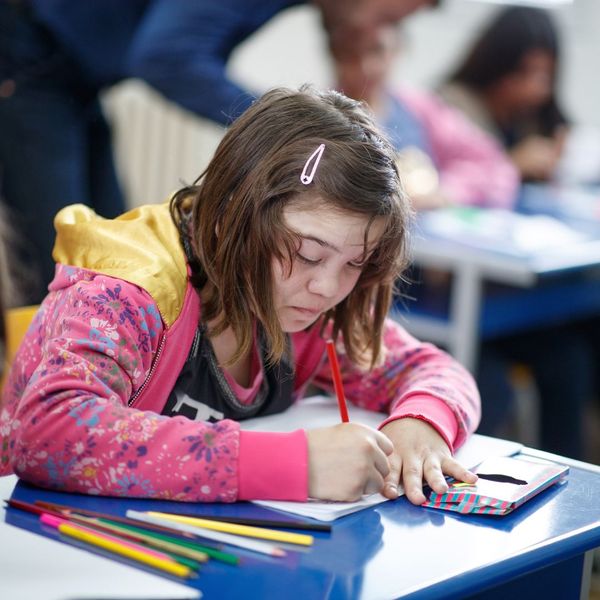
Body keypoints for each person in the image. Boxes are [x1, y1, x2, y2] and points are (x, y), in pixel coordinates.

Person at [0, 86, 480, 506]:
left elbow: (432, 369)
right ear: (234, 213)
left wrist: (422, 423)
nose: (328, 288)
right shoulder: (131, 288)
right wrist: (298, 464)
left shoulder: (306, 311)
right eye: (309, 253)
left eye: (356, 263)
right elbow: (49, 433)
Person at [0, 0, 436, 305]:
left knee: (108, 257)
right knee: (56, 262)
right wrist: (289, 126)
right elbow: (165, 58)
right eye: (389, 12)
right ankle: (39, 406)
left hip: (71, 74)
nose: (379, 27)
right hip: (28, 57)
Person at [332, 23, 519, 210]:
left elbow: (492, 163)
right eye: (350, 54)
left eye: (377, 50)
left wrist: (444, 192)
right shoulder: (325, 117)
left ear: (397, 49)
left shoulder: (417, 109)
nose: (366, 67)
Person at [440, 5, 568, 183]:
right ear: (496, 64)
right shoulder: (451, 106)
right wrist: (512, 165)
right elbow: (448, 180)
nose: (534, 87)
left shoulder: (533, 120)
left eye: (546, 75)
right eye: (523, 72)